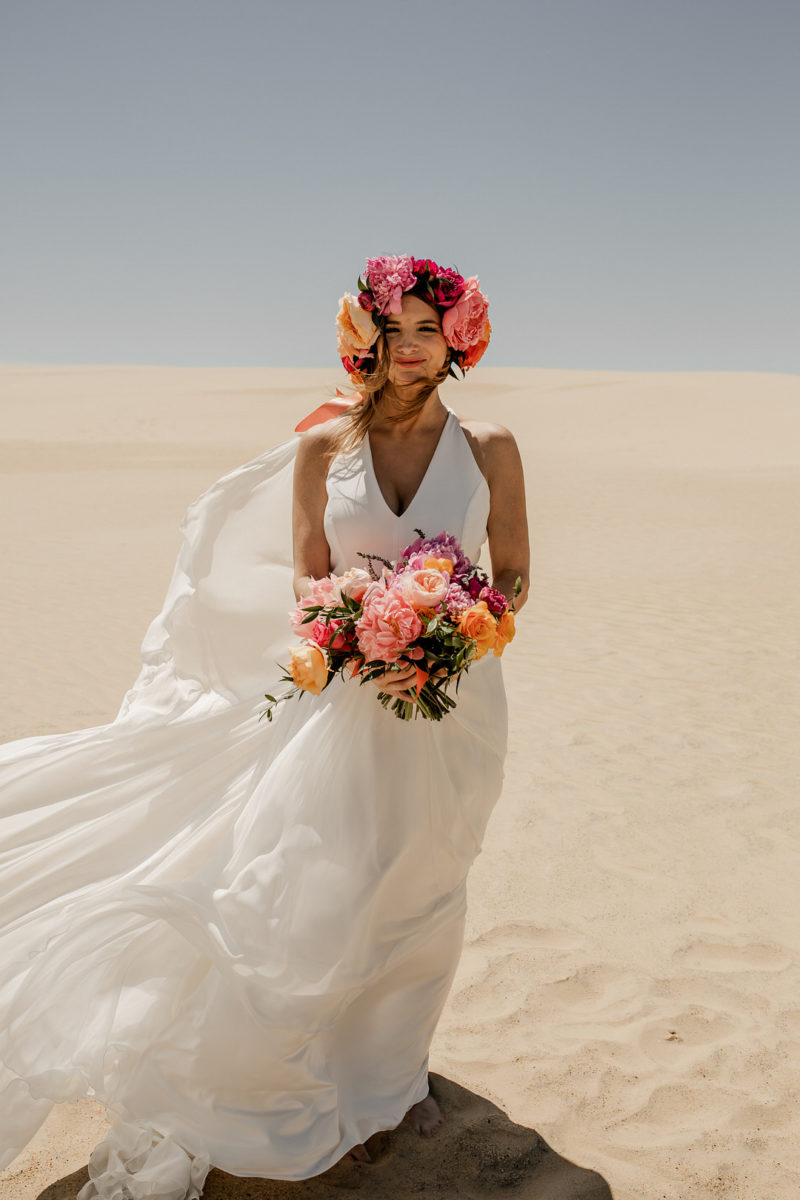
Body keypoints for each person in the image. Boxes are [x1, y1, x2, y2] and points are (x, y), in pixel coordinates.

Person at [0, 255, 530, 1198]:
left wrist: (453, 621)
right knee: (330, 881)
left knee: (423, 881)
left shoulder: (490, 443)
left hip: (451, 699)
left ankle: (391, 1081)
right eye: (391, 332)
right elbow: (303, 575)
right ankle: (324, 1077)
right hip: (347, 697)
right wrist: (356, 613)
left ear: (458, 339)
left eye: (425, 331)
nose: (408, 349)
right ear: (364, 341)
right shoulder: (325, 448)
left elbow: (518, 573)